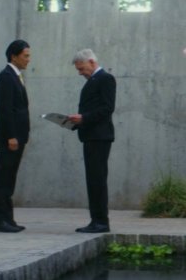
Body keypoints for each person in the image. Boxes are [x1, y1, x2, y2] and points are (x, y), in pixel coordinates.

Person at [67, 49, 116, 233]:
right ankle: (96, 220)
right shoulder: (93, 81)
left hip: (99, 137)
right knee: (93, 179)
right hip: (91, 136)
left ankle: (101, 222)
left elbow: (107, 108)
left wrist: (84, 119)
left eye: (81, 68)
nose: (80, 73)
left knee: (97, 180)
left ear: (91, 62)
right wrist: (77, 122)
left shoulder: (105, 79)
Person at [0, 39, 31, 233]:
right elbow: (5, 110)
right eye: (26, 56)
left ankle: (8, 218)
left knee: (9, 179)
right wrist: (11, 136)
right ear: (13, 56)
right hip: (10, 139)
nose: (28, 60)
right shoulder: (6, 77)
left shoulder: (16, 76)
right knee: (3, 179)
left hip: (18, 137)